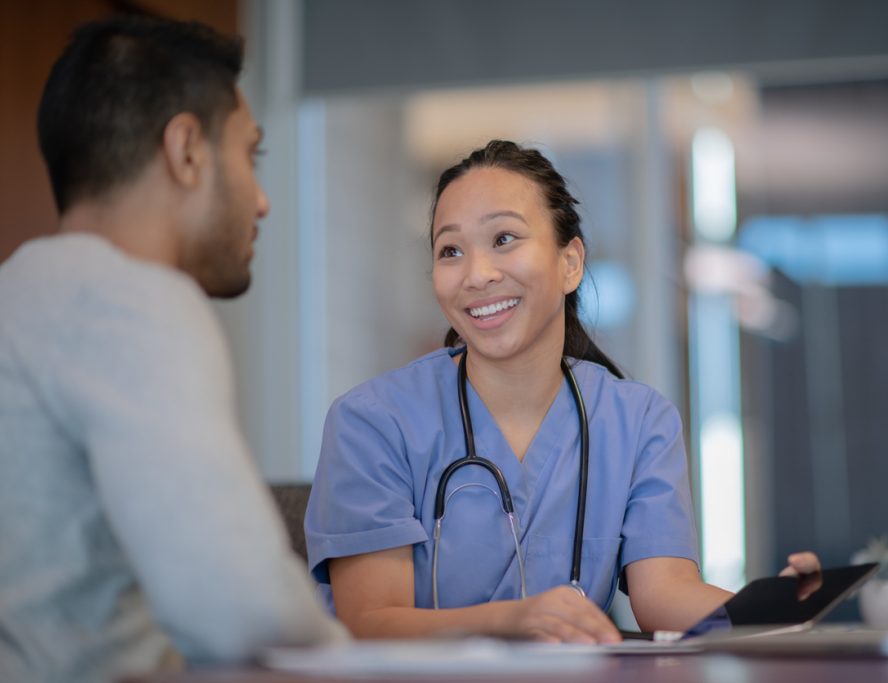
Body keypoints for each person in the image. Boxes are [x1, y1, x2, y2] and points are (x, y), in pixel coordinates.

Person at [306, 139, 820, 643]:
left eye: (504, 238)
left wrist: (772, 605)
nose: (477, 274)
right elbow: (369, 621)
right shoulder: (372, 422)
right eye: (451, 250)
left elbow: (663, 595)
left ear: (570, 262)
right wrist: (513, 620)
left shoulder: (638, 420)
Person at [0, 16, 348, 683]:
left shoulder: (19, 293)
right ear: (186, 150)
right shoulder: (132, 301)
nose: (265, 200)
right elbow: (245, 610)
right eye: (252, 154)